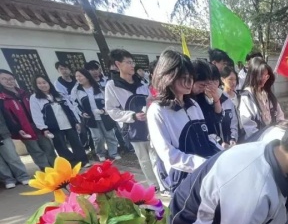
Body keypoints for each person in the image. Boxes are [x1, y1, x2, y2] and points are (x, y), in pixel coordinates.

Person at [147, 50, 221, 193]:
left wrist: (222, 153)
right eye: (183, 78)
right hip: (182, 180)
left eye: (191, 77)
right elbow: (169, 155)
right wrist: (203, 163)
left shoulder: (193, 105)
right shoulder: (158, 110)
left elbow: (206, 138)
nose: (189, 82)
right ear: (168, 77)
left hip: (205, 173)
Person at [105, 48, 161, 189]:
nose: (132, 65)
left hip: (149, 124)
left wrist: (151, 102)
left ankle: (162, 183)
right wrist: (132, 116)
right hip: (133, 127)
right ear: (118, 64)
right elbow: (111, 110)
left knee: (156, 155)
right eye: (128, 62)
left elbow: (148, 100)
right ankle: (153, 184)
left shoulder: (141, 83)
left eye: (133, 62)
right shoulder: (112, 86)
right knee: (144, 158)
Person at [0, 69, 56, 170]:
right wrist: (17, 129)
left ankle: (57, 168)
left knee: (49, 147)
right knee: (36, 151)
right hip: (24, 129)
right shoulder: (3, 99)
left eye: (11, 78)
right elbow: (8, 117)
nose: (9, 81)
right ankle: (46, 171)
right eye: (4, 79)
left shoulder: (24, 93)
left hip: (37, 125)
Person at [29, 75, 89, 168]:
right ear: (35, 85)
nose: (43, 85)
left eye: (44, 82)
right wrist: (43, 128)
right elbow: (36, 114)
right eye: (39, 83)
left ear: (49, 83)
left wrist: (76, 121)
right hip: (53, 126)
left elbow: (71, 108)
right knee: (61, 146)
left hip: (68, 123)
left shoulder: (59, 94)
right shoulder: (35, 98)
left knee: (76, 142)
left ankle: (83, 161)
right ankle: (71, 163)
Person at [71, 68, 120, 162]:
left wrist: (103, 110)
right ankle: (100, 153)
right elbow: (74, 104)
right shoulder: (76, 91)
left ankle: (113, 153)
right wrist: (82, 113)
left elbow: (108, 100)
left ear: (87, 76)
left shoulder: (98, 87)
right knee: (98, 137)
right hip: (90, 118)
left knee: (110, 135)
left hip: (103, 115)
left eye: (80, 76)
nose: (78, 78)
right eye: (76, 76)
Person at [238, 57, 285, 141]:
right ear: (253, 74)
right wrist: (264, 138)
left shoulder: (268, 94)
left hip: (272, 136)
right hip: (257, 140)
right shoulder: (247, 96)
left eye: (266, 76)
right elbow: (248, 125)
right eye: (261, 75)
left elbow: (279, 116)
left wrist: (281, 128)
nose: (264, 79)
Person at [191, 60, 225, 146]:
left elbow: (217, 118)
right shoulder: (187, 100)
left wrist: (216, 99)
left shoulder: (202, 97)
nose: (204, 88)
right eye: (201, 85)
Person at [0, 110, 31, 189]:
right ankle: (8, 179)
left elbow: (6, 116)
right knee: (1, 163)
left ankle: (23, 176)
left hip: (3, 134)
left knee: (12, 156)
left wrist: (15, 129)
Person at [219, 66, 240, 146]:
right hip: (227, 140)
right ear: (222, 79)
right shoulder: (220, 99)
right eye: (230, 79)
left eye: (235, 79)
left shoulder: (240, 96)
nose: (233, 82)